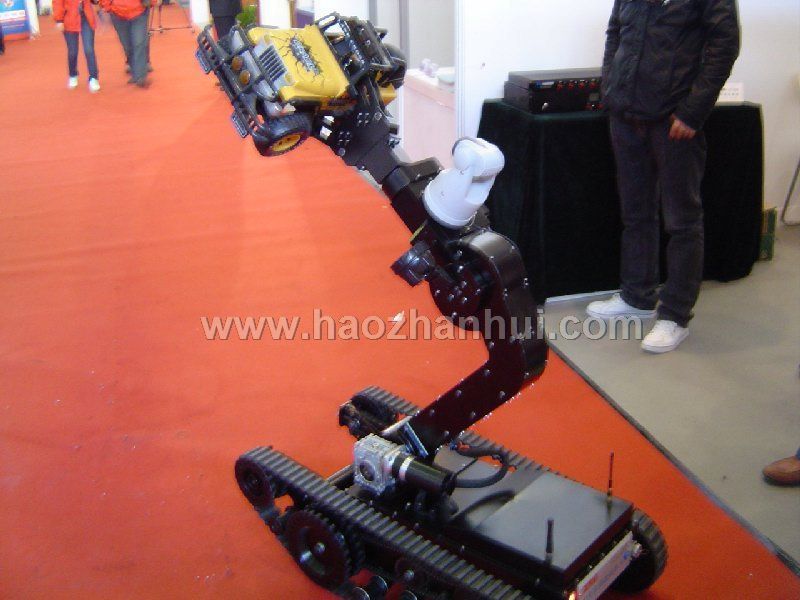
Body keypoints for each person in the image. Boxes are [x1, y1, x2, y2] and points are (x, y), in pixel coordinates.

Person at [587, 0, 741, 353]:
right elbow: (615, 32)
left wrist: (693, 112)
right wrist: (610, 87)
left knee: (682, 221)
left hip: (674, 120)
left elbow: (725, 45)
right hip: (625, 114)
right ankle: (636, 295)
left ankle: (675, 315)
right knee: (636, 213)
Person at [101, 0, 158, 87]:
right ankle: (135, 72)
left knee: (139, 43)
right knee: (127, 46)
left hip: (139, 11)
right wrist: (107, 6)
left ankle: (141, 76)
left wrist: (152, 2)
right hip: (117, 13)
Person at [53, 0, 100, 92]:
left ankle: (93, 77)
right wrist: (59, 20)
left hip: (86, 18)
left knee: (89, 49)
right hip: (69, 19)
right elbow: (57, 2)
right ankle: (73, 74)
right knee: (73, 51)